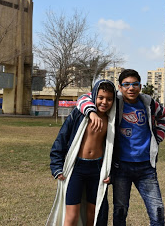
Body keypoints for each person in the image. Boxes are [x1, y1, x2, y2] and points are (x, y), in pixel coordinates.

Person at [77, 69, 165, 226]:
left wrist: (157, 138)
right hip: (121, 168)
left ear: (140, 86)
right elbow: (83, 98)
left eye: (135, 84)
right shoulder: (115, 102)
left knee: (157, 211)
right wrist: (91, 112)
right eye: (126, 85)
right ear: (120, 87)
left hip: (146, 167)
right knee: (120, 212)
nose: (131, 88)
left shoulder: (148, 103)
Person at [48, 79, 117, 226]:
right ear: (94, 97)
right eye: (100, 98)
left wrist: (112, 172)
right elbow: (61, 138)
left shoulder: (112, 120)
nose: (104, 102)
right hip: (76, 169)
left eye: (109, 99)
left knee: (93, 215)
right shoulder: (80, 114)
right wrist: (56, 166)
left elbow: (116, 150)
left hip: (97, 170)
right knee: (71, 216)